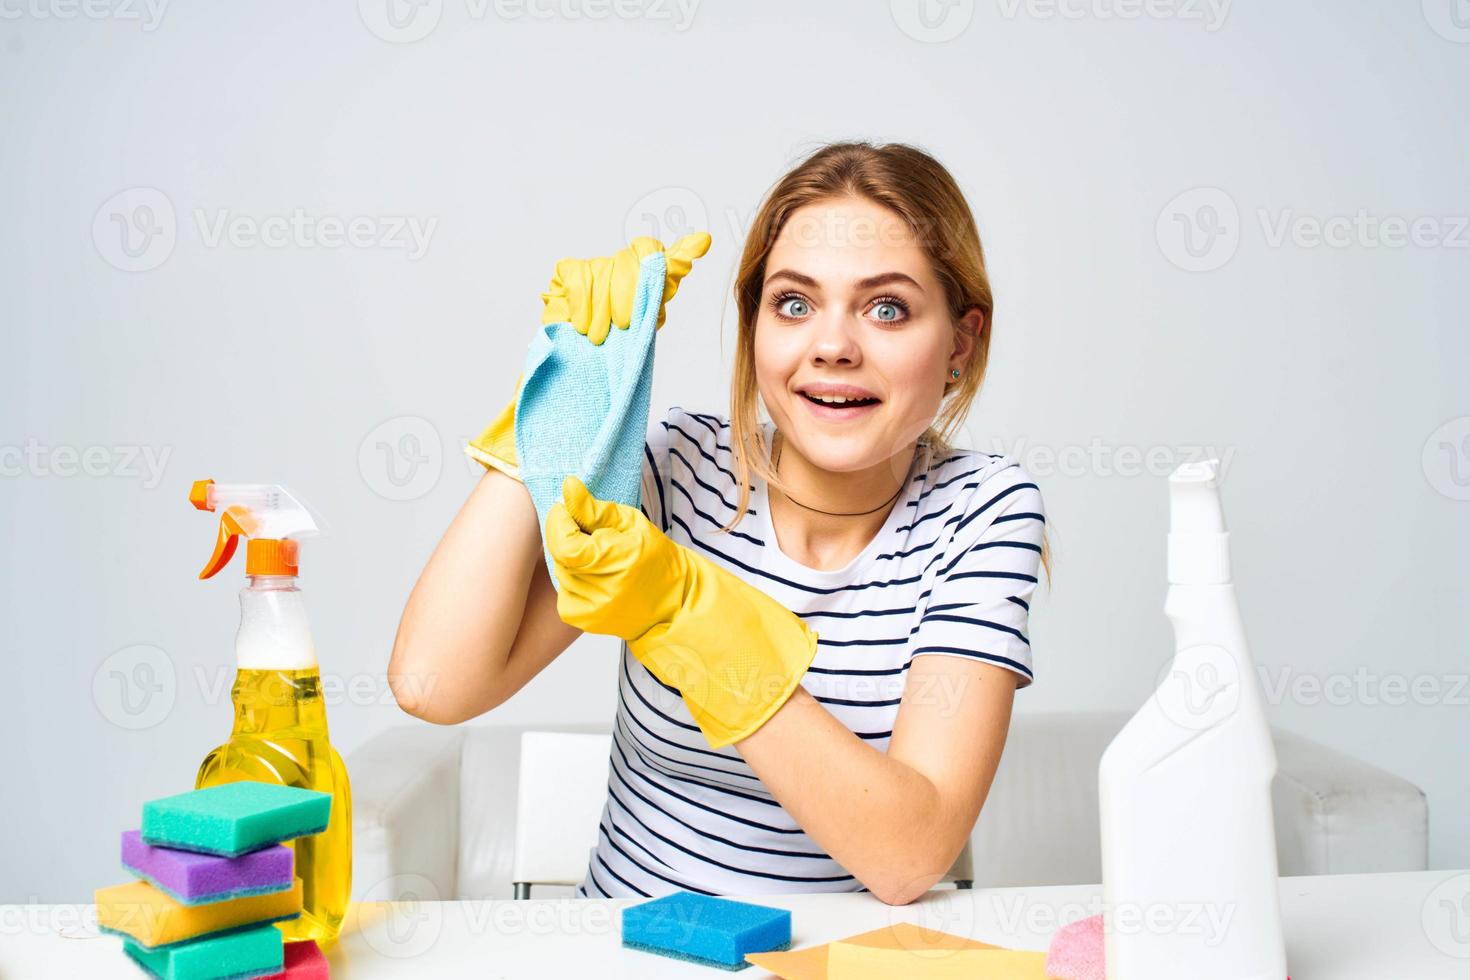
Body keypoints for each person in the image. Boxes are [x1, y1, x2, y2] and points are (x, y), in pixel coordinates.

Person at [389, 140, 1047, 907]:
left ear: (960, 344)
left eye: (887, 308)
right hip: (624, 958)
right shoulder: (680, 466)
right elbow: (432, 684)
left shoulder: (983, 510)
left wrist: (692, 619)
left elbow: (908, 855)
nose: (832, 347)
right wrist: (562, 400)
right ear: (754, 327)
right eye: (794, 304)